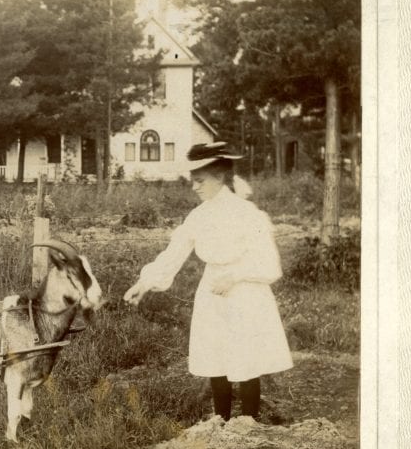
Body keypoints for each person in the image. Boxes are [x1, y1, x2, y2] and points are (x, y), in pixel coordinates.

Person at [123, 142, 293, 421]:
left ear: (219, 177)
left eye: (199, 181)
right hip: (212, 292)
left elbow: (269, 263)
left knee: (246, 359)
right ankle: (221, 425)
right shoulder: (198, 216)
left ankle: (248, 428)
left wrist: (236, 276)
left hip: (246, 292)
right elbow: (174, 253)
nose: (194, 187)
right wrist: (144, 284)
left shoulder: (247, 213)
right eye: (193, 181)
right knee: (216, 358)